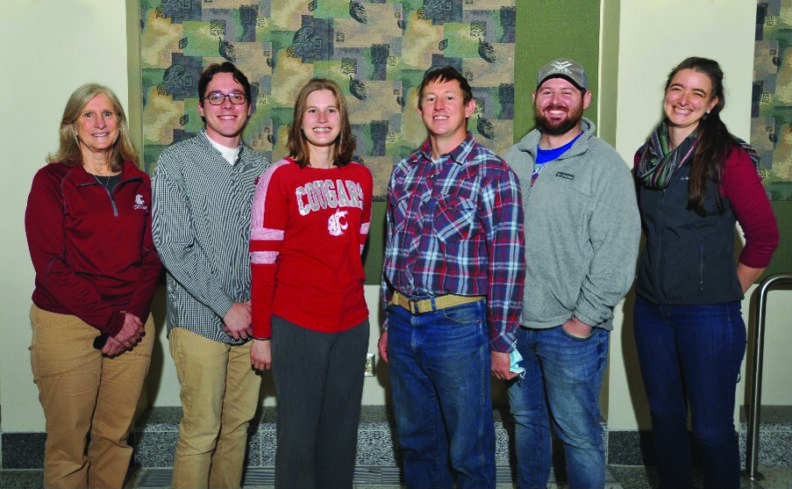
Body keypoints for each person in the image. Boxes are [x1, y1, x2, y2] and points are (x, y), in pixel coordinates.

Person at [633, 57, 779, 489]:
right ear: (666, 91)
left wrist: (727, 290)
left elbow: (764, 237)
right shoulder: (647, 156)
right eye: (677, 88)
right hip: (651, 312)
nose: (684, 100)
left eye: (698, 93)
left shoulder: (729, 158)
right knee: (666, 420)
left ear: (713, 103)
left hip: (708, 318)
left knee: (713, 430)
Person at [378, 66, 525, 489]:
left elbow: (508, 264)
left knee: (468, 450)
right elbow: (392, 254)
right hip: (405, 324)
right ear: (419, 107)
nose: (438, 107)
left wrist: (502, 342)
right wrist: (388, 323)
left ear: (469, 107)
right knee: (417, 444)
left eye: (449, 98)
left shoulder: (492, 173)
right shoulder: (405, 172)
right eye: (430, 99)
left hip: (459, 327)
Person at [503, 58, 641, 489]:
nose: (556, 101)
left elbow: (618, 249)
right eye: (548, 92)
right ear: (535, 100)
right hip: (518, 329)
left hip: (572, 332)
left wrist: (584, 319)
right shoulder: (513, 159)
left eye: (567, 92)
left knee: (578, 435)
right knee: (527, 425)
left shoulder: (604, 165)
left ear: (585, 99)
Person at [25, 83, 161, 488]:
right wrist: (109, 320)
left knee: (115, 438)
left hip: (133, 324)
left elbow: (151, 256)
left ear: (119, 123)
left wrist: (131, 317)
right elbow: (51, 265)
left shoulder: (140, 182)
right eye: (89, 114)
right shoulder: (52, 181)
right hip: (68, 324)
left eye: (108, 114)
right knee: (68, 444)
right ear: (72, 125)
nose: (99, 123)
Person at [248, 78, 373, 489]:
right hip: (297, 325)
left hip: (351, 324)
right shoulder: (279, 178)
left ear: (343, 119)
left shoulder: (361, 178)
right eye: (312, 110)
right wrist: (262, 334)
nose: (322, 119)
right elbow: (264, 263)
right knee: (298, 438)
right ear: (299, 120)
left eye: (331, 110)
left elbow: (355, 250)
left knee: (340, 436)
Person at [151, 62, 269, 489]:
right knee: (202, 431)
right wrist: (226, 306)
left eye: (235, 96)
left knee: (237, 428)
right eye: (216, 97)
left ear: (248, 106)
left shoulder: (264, 168)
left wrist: (258, 310)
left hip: (254, 323)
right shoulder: (176, 162)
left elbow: (272, 247)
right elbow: (171, 245)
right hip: (201, 321)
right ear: (201, 107)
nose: (226, 104)